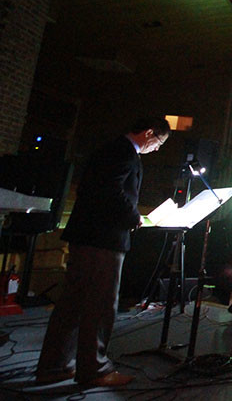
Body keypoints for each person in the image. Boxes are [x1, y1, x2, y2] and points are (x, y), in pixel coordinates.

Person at [36, 117, 171, 387]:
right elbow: (111, 190)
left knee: (72, 303)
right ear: (148, 133)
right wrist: (135, 217)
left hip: (87, 237)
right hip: (103, 240)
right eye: (158, 143)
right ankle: (94, 370)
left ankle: (55, 366)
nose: (156, 149)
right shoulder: (124, 152)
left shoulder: (112, 149)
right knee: (100, 306)